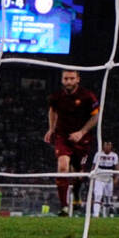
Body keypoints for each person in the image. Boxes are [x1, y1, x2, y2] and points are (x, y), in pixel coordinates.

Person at [45, 69, 99, 216]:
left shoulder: (87, 96)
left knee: (78, 174)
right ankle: (63, 206)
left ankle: (76, 194)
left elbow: (95, 117)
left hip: (82, 139)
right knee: (62, 167)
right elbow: (52, 111)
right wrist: (51, 129)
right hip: (62, 136)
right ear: (62, 80)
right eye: (66, 79)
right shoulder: (56, 97)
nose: (68, 81)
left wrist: (81, 132)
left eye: (71, 78)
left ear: (77, 79)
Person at [92, 141, 119, 217]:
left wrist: (117, 177)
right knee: (98, 195)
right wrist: (93, 177)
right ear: (103, 146)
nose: (107, 147)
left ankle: (106, 215)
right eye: (106, 145)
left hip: (109, 178)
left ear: (111, 146)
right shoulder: (98, 154)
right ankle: (96, 214)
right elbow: (94, 166)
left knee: (108, 197)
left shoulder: (114, 155)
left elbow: (117, 167)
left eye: (109, 145)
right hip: (99, 178)